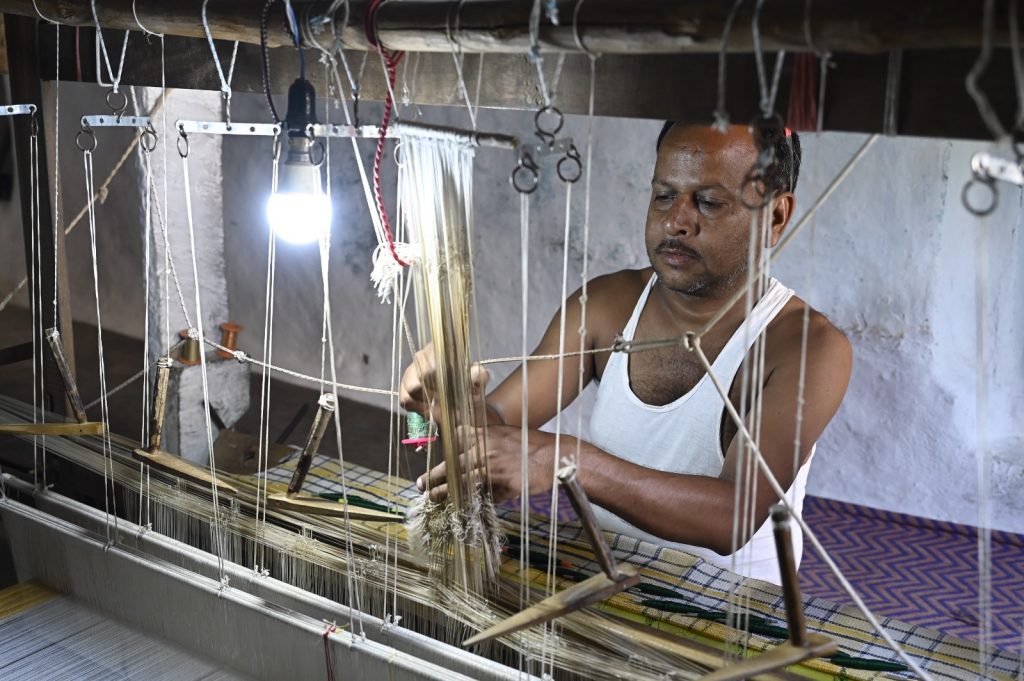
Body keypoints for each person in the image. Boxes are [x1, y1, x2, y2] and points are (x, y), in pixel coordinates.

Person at [400, 121, 852, 584]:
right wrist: (451, 403)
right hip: (601, 575)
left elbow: (733, 516)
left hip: (732, 612)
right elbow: (496, 423)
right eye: (664, 195)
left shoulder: (807, 347)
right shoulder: (606, 305)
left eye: (709, 202)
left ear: (775, 216)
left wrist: (573, 462)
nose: (677, 221)